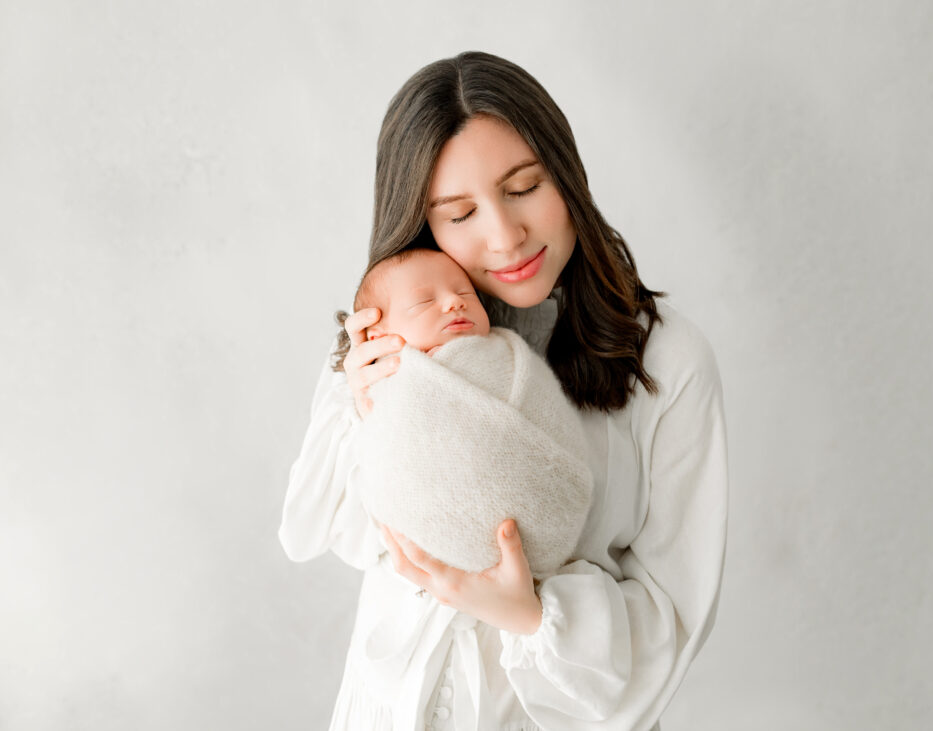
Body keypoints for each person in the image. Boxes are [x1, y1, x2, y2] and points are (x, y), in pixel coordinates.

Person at [279, 51, 728, 731]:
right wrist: (360, 411)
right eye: (458, 213)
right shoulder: (390, 341)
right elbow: (313, 531)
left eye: (523, 187)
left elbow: (675, 616)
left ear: (567, 175)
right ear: (423, 224)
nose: (504, 234)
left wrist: (533, 614)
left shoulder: (667, 362)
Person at [334, 246, 592, 578]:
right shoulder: (381, 384)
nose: (455, 303)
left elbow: (549, 412)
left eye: (464, 293)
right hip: (432, 565)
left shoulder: (507, 352)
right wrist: (367, 406)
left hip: (551, 524)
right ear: (379, 336)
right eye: (425, 302)